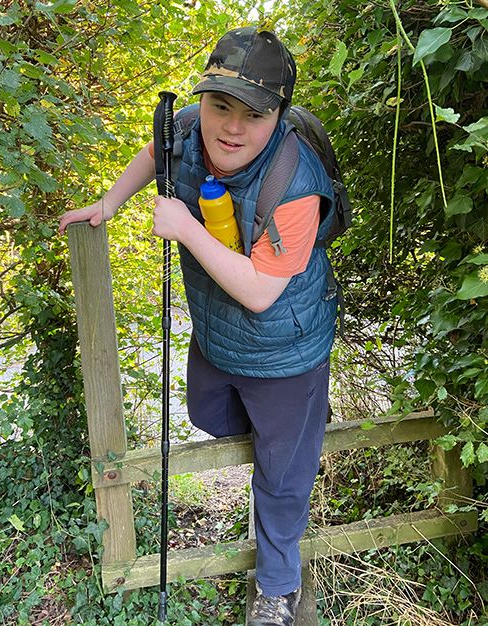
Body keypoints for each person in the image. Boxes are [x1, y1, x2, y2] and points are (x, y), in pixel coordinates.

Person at [59, 27, 337, 626]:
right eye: (220, 105)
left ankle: (277, 586)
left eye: (253, 114)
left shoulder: (295, 182)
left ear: (280, 116)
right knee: (208, 413)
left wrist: (184, 228)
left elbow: (263, 294)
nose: (231, 127)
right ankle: (291, 433)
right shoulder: (188, 126)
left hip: (287, 349)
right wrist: (108, 204)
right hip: (219, 336)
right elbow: (155, 153)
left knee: (282, 479)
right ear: (204, 99)